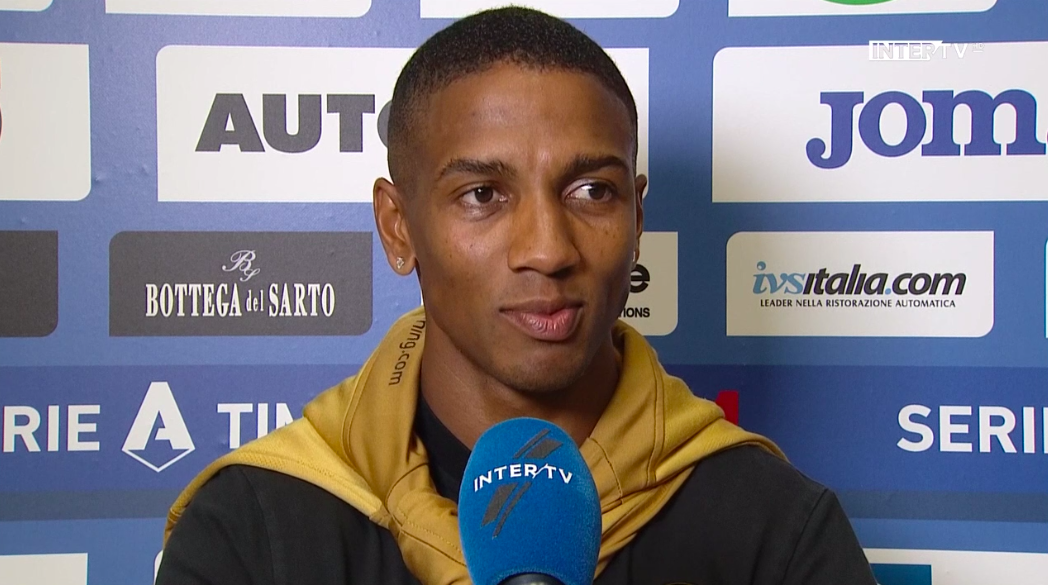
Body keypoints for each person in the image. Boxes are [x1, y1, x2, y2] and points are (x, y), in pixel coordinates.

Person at [156, 7, 878, 585]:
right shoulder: (252, 527)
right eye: (483, 195)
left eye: (592, 191)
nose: (548, 249)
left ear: (637, 219)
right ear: (398, 227)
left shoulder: (777, 532)